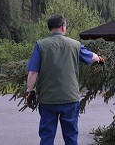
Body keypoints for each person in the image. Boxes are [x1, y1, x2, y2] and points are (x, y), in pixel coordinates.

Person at [26, 14, 104, 145]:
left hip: (47, 100)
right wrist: (100, 59)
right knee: (71, 136)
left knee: (47, 136)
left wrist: (29, 91)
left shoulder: (40, 45)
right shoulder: (75, 45)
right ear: (63, 27)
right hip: (70, 99)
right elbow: (92, 57)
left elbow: (33, 72)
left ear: (50, 28)